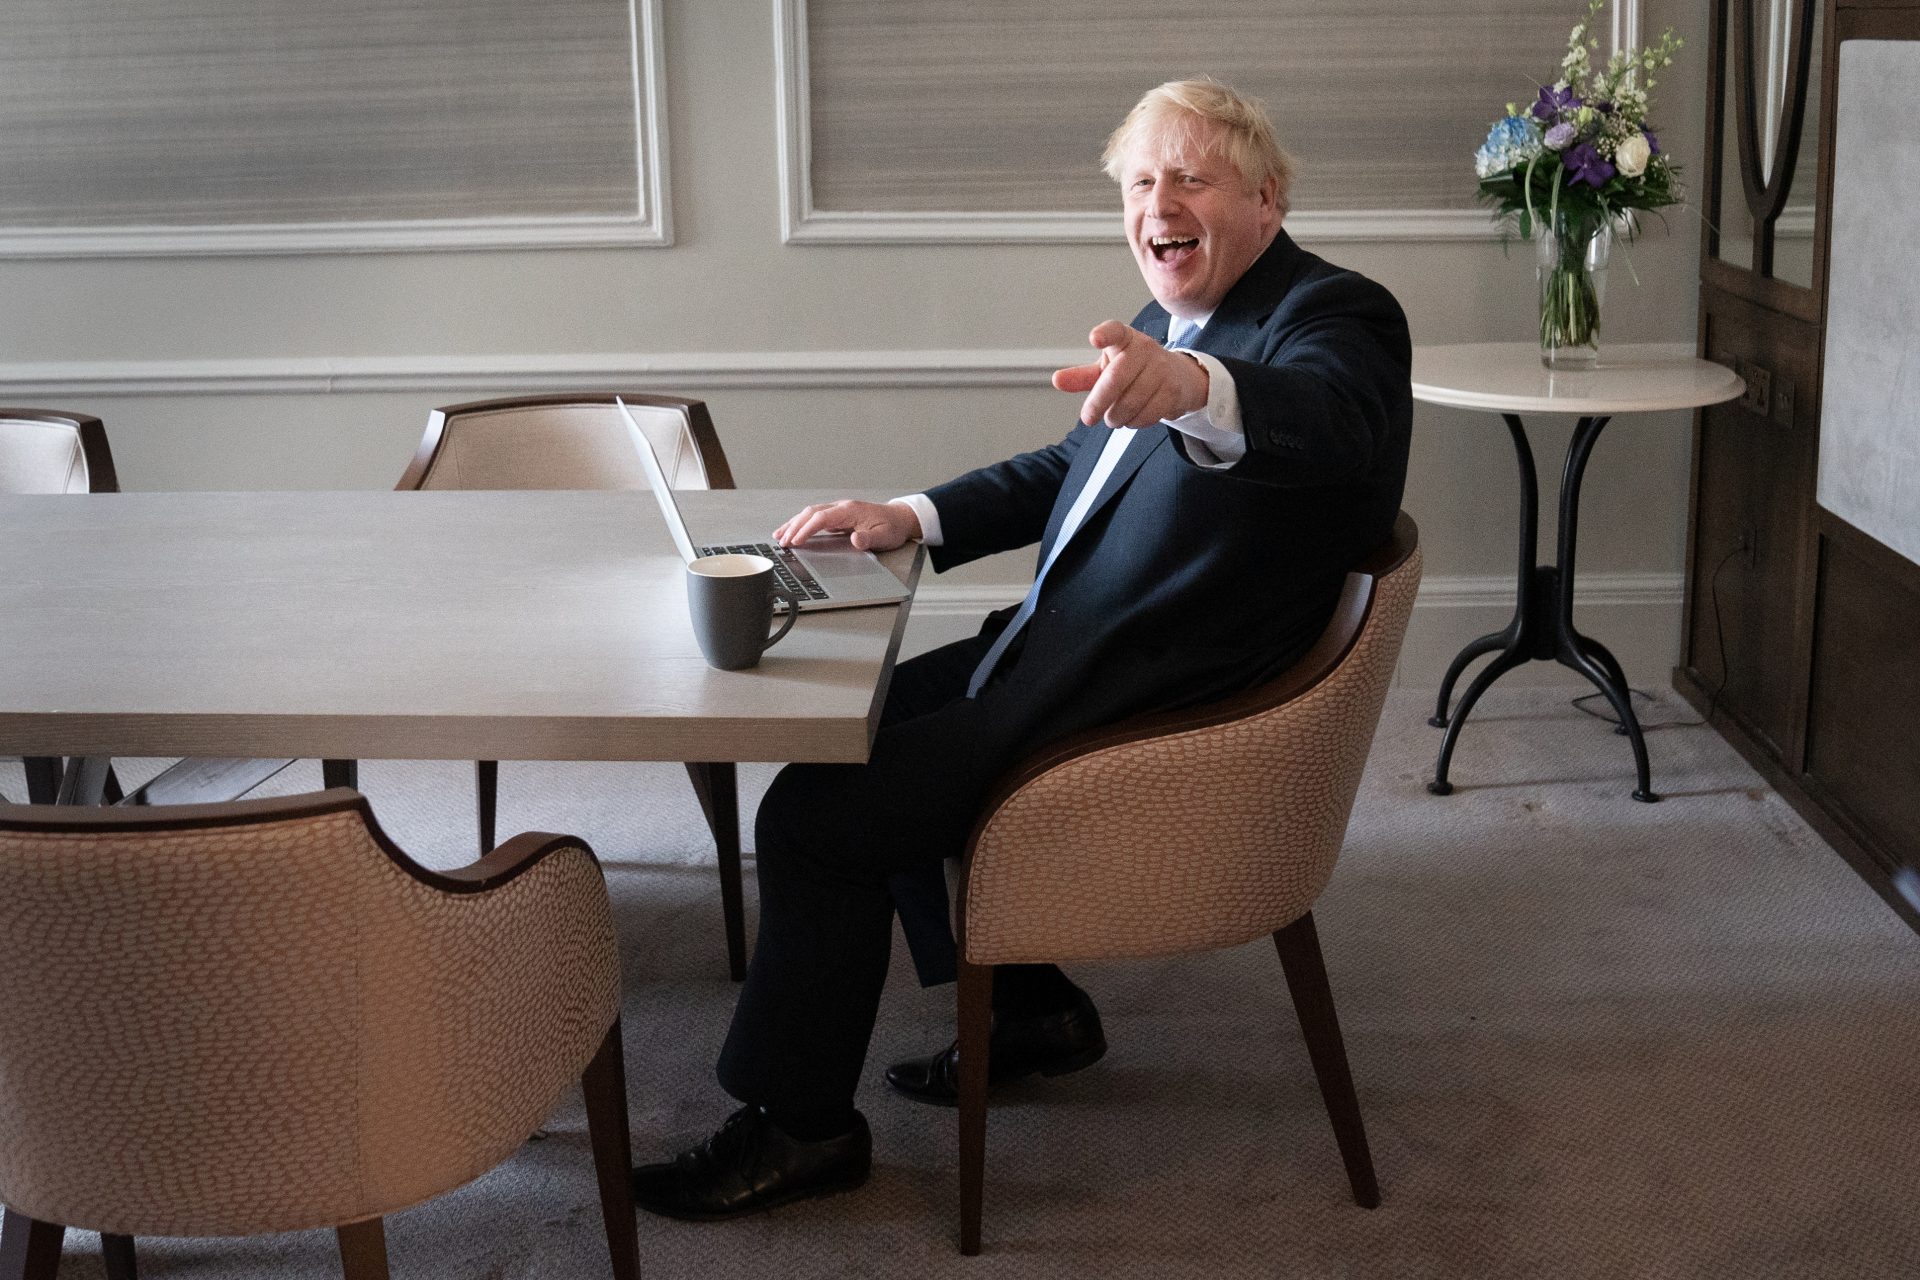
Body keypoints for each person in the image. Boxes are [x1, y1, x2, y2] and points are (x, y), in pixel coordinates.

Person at [631, 77, 1413, 1220]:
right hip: (1080, 652)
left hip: (1150, 697)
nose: (1161, 203)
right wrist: (915, 515)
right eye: (1143, 183)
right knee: (870, 717)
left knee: (813, 814)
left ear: (1265, 195)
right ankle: (1030, 1011)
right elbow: (1072, 468)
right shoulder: (1163, 320)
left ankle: (800, 1129)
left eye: (1190, 176)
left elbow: (1324, 420)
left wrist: (1197, 385)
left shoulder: (1334, 314)